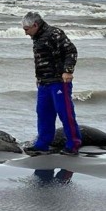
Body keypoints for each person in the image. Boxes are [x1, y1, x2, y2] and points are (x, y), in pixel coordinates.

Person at [22, 11, 82, 156]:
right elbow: (41, 60)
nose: (26, 33)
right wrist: (39, 77)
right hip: (44, 83)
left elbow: (71, 51)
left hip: (59, 81)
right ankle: (42, 144)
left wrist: (68, 71)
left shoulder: (54, 33)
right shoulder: (37, 37)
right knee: (43, 113)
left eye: (27, 29)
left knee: (65, 113)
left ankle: (73, 144)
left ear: (35, 25)